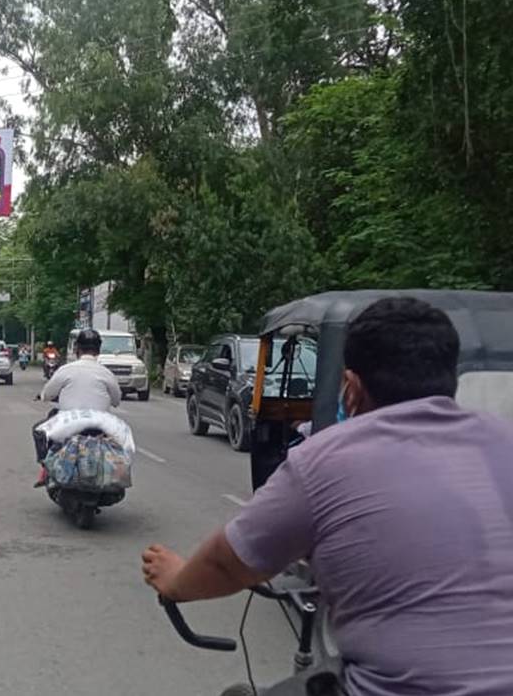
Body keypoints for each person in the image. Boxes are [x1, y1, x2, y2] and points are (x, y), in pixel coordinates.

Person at [141, 297, 513, 696]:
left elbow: (227, 563)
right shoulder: (502, 438)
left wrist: (176, 580)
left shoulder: (324, 459)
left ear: (350, 387)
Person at [32, 328, 122, 486]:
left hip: (68, 424)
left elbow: (47, 394)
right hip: (100, 426)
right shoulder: (106, 373)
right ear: (98, 350)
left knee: (39, 430)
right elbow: (116, 400)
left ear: (77, 349)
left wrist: (44, 396)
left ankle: (46, 467)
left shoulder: (66, 370)